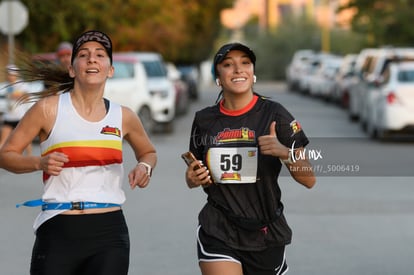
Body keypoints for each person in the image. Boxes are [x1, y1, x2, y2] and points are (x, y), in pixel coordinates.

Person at [0, 30, 157, 275]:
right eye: (83, 55)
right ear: (72, 69)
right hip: (58, 227)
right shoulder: (47, 109)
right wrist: (38, 163)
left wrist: (144, 167)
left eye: (100, 55)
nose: (92, 59)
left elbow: (148, 152)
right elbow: (6, 154)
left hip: (109, 233)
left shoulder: (124, 116)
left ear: (110, 69)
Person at [184, 42, 316, 275]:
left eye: (245, 63)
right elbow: (194, 174)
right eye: (228, 64)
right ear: (218, 76)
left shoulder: (276, 114)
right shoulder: (204, 120)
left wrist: (284, 152)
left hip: (265, 231)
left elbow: (309, 179)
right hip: (219, 227)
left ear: (253, 73)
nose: (238, 69)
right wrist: (193, 177)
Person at [0, 64, 32, 155]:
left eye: (12, 74)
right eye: (8, 74)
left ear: (16, 75)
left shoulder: (22, 84)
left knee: (25, 139)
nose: (10, 76)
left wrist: (19, 94)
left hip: (20, 116)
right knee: (3, 140)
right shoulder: (4, 85)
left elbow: (27, 97)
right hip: (8, 116)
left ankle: (29, 156)